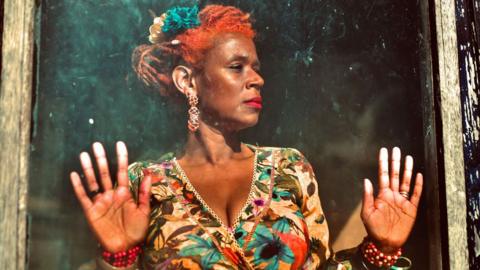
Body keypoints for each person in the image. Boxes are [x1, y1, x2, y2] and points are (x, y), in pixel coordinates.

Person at [70, 4, 423, 270]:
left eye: (256, 68)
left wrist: (380, 249)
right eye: (237, 67)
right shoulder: (144, 183)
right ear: (187, 81)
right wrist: (118, 257)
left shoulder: (290, 168)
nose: (257, 79)